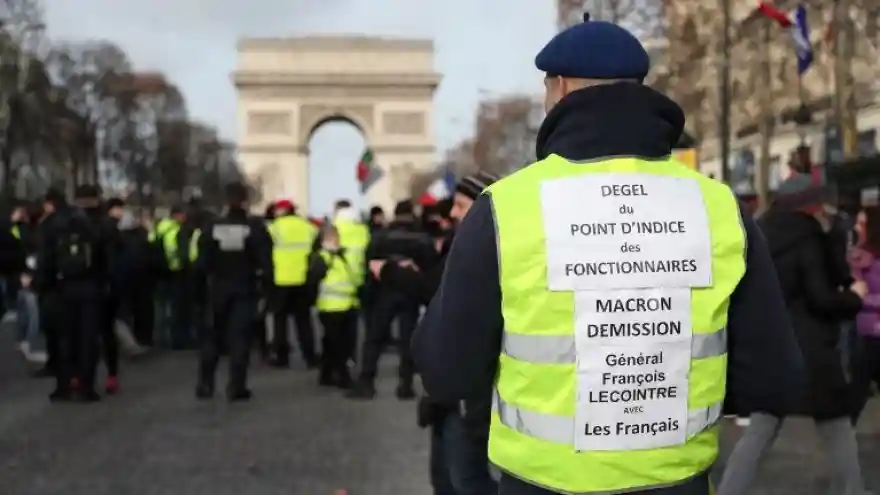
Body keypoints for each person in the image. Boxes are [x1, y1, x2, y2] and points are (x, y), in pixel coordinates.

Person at [413, 16, 804, 495]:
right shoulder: (719, 206)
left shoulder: (505, 208)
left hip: (544, 482)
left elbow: (447, 370)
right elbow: (774, 376)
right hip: (675, 479)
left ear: (557, 89)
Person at [718, 174, 869, 495]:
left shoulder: (760, 235)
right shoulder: (808, 239)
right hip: (811, 348)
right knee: (837, 427)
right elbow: (822, 297)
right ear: (810, 205)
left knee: (761, 428)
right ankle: (852, 490)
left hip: (773, 346)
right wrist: (855, 296)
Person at [371, 172, 499, 495]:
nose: (451, 213)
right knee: (447, 479)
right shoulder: (460, 245)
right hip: (448, 393)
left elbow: (435, 290)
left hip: (467, 397)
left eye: (459, 205)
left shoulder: (479, 251)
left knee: (464, 481)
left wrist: (389, 271)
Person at [349, 199, 437, 400]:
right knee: (408, 341)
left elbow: (368, 266)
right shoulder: (422, 238)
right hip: (410, 294)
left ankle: (367, 382)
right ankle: (405, 386)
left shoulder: (380, 236)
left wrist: (367, 295)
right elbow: (430, 269)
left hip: (383, 293)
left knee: (374, 339)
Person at [37, 185, 115, 402]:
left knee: (64, 337)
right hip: (91, 287)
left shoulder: (53, 222)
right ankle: (86, 386)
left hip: (62, 287)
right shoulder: (98, 222)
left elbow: (45, 257)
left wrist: (45, 285)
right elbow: (108, 256)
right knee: (88, 338)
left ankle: (64, 385)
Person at [196, 182, 273, 401]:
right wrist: (267, 292)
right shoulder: (255, 228)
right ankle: (236, 386)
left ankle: (205, 385)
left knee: (211, 338)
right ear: (245, 201)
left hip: (217, 289)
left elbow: (201, 265)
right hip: (244, 290)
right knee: (240, 339)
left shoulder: (211, 227)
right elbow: (267, 264)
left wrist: (199, 293)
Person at [268, 198, 319, 368]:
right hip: (303, 279)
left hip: (281, 279)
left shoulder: (274, 228)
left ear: (282, 211)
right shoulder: (308, 227)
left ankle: (281, 357)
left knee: (280, 321)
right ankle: (310, 356)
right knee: (303, 320)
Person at [306, 224, 356, 388]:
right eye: (332, 237)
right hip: (330, 307)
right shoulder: (322, 258)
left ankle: (326, 374)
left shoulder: (339, 256)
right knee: (339, 344)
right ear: (324, 240)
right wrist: (312, 303)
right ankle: (343, 377)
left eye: (336, 236)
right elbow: (312, 282)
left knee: (331, 342)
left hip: (345, 305)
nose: (336, 240)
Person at [848, 206, 880, 424]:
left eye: (862, 223)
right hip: (862, 332)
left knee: (858, 386)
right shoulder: (856, 257)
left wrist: (862, 299)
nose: (856, 227)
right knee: (858, 386)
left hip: (876, 332)